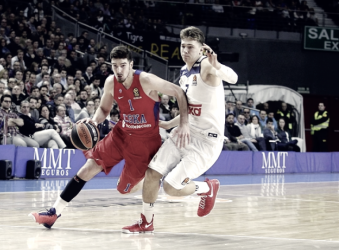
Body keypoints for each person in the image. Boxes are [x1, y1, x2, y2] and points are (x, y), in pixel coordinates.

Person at [29, 45, 189, 229]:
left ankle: (150, 179)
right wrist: (95, 121)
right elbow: (104, 109)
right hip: (120, 134)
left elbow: (179, 92)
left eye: (123, 65)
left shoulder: (146, 80)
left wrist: (183, 123)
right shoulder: (111, 83)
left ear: (130, 64)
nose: (119, 70)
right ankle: (54, 213)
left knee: (123, 189)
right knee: (87, 169)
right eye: (115, 66)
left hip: (144, 143)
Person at [122, 26, 238, 233]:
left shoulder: (208, 67)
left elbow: (233, 78)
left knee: (171, 188)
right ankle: (146, 222)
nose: (185, 51)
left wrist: (217, 64)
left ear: (202, 48)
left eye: (190, 47)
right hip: (184, 133)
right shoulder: (184, 73)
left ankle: (207, 188)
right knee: (152, 173)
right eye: (183, 46)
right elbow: (191, 109)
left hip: (206, 142)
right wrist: (168, 124)